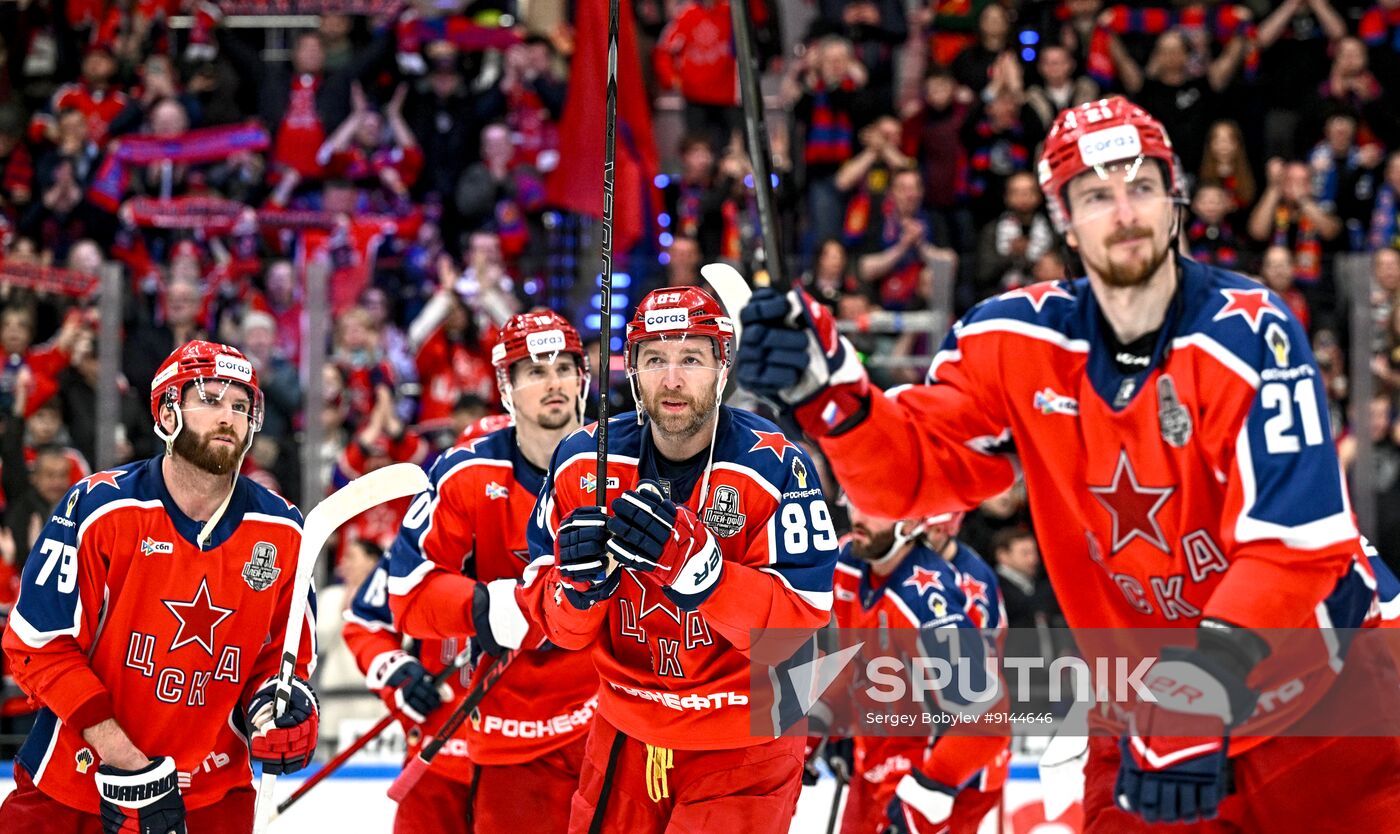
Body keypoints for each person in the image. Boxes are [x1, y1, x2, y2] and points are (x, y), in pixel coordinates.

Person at [737, 96, 1400, 830]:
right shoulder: (1013, 342)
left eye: (1142, 186)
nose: (1125, 213)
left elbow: (1295, 546)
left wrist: (1194, 695)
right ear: (1063, 218)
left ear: (1174, 198)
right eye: (1096, 196)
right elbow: (912, 478)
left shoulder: (1248, 330)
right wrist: (833, 395)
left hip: (1326, 694)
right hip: (1143, 715)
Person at [517, 286, 838, 833]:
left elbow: (802, 629)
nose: (671, 380)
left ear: (722, 366)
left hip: (747, 737)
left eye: (691, 358)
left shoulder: (778, 463)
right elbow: (555, 623)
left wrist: (706, 577)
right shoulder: (581, 463)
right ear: (633, 371)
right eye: (655, 359)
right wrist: (574, 590)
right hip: (626, 733)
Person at [0, 340, 319, 833]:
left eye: (240, 405)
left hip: (212, 796)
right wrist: (127, 764)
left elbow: (280, 662)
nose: (228, 417)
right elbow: (37, 647)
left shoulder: (283, 531)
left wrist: (280, 712)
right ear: (168, 412)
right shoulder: (99, 508)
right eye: (210, 399)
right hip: (73, 786)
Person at [357, 312, 599, 833]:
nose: (553, 382)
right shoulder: (463, 475)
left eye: (563, 368)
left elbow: (795, 599)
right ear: (506, 388)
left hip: (612, 725)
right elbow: (396, 598)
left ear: (584, 379)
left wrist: (800, 730)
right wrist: (486, 610)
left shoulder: (624, 462)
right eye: (535, 371)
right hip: (493, 736)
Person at [826, 506, 1008, 834]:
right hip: (881, 749)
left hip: (943, 760)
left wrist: (928, 791)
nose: (858, 517)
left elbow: (984, 713)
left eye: (936, 531)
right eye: (856, 503)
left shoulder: (933, 594)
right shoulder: (853, 558)